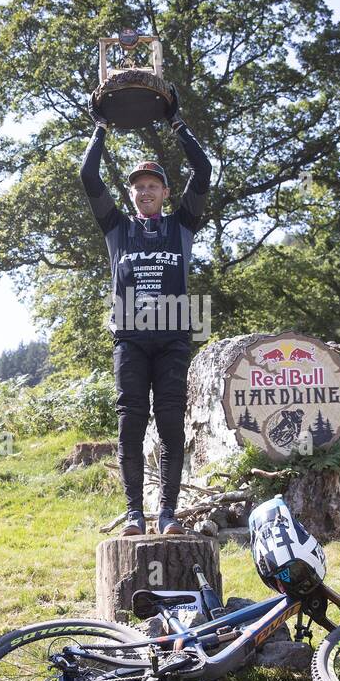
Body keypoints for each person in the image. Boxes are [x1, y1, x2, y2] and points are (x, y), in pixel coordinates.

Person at [80, 90, 212, 536]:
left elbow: (204, 170)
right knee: (130, 423)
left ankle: (169, 514)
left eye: (152, 185)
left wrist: (176, 121)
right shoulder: (116, 226)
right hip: (131, 340)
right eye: (138, 186)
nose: (145, 191)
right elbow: (88, 175)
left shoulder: (183, 224)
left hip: (173, 338)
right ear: (132, 193)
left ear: (165, 192)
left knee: (172, 425)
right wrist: (100, 127)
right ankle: (135, 513)